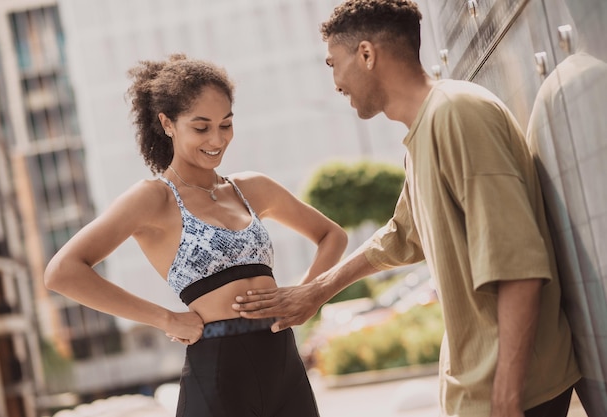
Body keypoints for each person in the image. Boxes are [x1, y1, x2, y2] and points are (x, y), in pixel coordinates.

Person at [232, 1, 581, 416]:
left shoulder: (457, 115)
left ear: (366, 54)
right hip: (477, 393)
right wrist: (316, 292)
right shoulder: (424, 132)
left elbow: (521, 266)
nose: (335, 81)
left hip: (517, 395)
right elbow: (399, 236)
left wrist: (506, 400)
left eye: (333, 63)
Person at [44, 54, 348, 417]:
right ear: (167, 123)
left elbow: (332, 235)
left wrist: (307, 296)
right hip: (218, 376)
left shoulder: (253, 188)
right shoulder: (153, 198)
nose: (217, 139)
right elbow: (63, 272)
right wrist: (165, 319)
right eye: (201, 128)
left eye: (226, 124)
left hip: (285, 366)